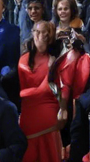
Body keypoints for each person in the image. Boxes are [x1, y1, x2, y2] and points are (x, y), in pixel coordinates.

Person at [18, 21, 62, 162]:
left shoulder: (55, 60)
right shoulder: (24, 60)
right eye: (37, 31)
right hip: (30, 114)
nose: (40, 36)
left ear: (50, 37)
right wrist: (49, 73)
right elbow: (25, 92)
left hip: (48, 116)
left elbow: (54, 91)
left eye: (44, 32)